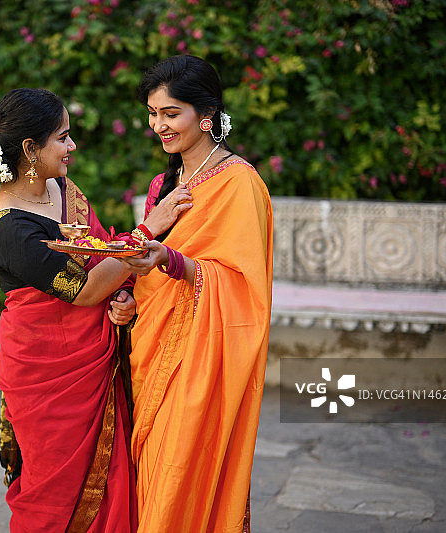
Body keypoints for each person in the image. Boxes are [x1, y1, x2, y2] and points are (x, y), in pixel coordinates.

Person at [0, 88, 190, 532]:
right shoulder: (10, 229)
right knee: (54, 493)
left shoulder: (61, 188)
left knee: (112, 479)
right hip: (47, 374)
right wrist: (149, 229)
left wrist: (123, 296)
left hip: (94, 358)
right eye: (62, 138)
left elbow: (100, 253)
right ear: (30, 149)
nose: (72, 146)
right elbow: (85, 288)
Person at [119, 55, 274, 532]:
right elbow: (147, 269)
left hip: (203, 357)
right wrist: (130, 296)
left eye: (171, 113)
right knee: (153, 471)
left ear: (206, 115)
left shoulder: (240, 183)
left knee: (182, 468)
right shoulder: (162, 185)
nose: (158, 126)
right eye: (152, 113)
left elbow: (244, 287)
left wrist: (171, 262)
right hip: (151, 348)